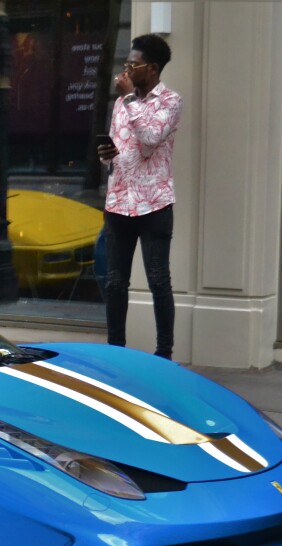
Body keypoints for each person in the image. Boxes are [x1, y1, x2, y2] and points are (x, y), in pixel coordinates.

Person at [96, 34, 181, 360]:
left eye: (134, 64)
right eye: (126, 64)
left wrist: (131, 99)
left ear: (153, 68)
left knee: (159, 280)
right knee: (116, 282)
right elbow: (121, 149)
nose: (127, 70)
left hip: (154, 202)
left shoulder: (170, 102)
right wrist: (105, 155)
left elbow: (149, 140)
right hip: (119, 201)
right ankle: (116, 351)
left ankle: (164, 355)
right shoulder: (120, 104)